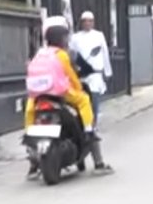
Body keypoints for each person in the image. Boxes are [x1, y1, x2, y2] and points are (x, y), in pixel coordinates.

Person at [24, 22, 112, 178]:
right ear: (61, 39)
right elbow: (70, 75)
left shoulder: (39, 54)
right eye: (66, 37)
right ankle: (89, 132)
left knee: (30, 111)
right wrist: (78, 87)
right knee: (84, 100)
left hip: (38, 95)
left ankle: (30, 154)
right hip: (59, 93)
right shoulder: (62, 54)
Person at [71, 10, 111, 124]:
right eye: (85, 21)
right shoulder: (75, 37)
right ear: (81, 23)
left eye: (90, 21)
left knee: (94, 99)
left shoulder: (99, 35)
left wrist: (107, 71)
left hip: (95, 74)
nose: (87, 23)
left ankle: (93, 123)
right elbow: (72, 55)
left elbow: (105, 53)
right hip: (81, 74)